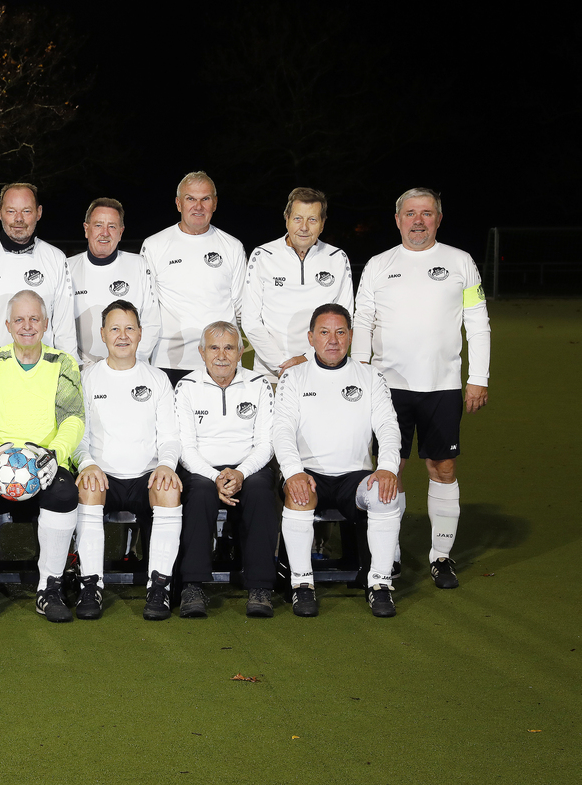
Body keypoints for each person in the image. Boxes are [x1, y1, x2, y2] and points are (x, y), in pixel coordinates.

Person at [352, 188, 491, 589]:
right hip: (386, 388)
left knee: (442, 468)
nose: (418, 221)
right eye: (410, 213)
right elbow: (362, 321)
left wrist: (478, 377)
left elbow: (477, 322)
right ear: (397, 220)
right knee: (389, 469)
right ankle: (390, 555)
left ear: (438, 219)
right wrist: (359, 374)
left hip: (442, 386)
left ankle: (441, 556)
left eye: (426, 213)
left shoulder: (461, 262)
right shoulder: (379, 265)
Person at [0, 290, 85, 623]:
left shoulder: (62, 362)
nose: (27, 326)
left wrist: (54, 455)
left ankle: (50, 588)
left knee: (64, 492)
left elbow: (73, 418)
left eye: (34, 319)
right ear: (7, 325)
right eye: (19, 319)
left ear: (45, 323)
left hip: (45, 462)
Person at [273, 304, 402, 618]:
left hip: (355, 478)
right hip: (308, 474)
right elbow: (281, 429)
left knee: (384, 494)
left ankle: (380, 584)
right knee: (299, 494)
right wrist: (293, 472)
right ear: (311, 338)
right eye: (324, 332)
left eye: (340, 332)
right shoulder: (294, 377)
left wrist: (387, 467)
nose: (333, 340)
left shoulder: (370, 376)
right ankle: (302, 585)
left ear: (351, 336)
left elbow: (388, 425)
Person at [74, 300, 180, 620]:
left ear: (140, 333)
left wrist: (166, 465)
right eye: (115, 329)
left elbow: (170, 438)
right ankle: (90, 585)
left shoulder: (158, 379)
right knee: (87, 486)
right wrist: (87, 464)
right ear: (103, 334)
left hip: (146, 475)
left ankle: (159, 587)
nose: (123, 335)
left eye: (130, 328)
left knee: (169, 489)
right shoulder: (86, 378)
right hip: (103, 475)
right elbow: (78, 438)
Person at [174, 321, 276, 618]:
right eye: (214, 348)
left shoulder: (259, 384)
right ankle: (192, 586)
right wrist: (215, 476)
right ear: (201, 352)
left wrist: (241, 472)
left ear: (241, 352)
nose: (221, 355)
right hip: (201, 468)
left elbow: (266, 443)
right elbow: (185, 447)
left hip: (250, 466)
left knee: (260, 492)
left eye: (229, 348)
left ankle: (260, 587)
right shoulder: (186, 386)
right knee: (199, 494)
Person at [140, 171, 246, 385]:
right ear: (178, 203)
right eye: (190, 199)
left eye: (205, 199)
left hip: (221, 361)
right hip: (170, 361)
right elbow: (145, 307)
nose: (198, 206)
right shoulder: (154, 246)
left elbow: (242, 306)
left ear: (215, 203)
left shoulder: (232, 247)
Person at [243, 188, 354, 380]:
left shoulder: (337, 258)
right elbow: (250, 320)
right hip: (271, 373)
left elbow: (344, 319)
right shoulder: (263, 256)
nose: (304, 227)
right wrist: (281, 365)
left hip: (322, 370)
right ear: (286, 219)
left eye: (312, 220)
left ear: (322, 224)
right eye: (297, 218)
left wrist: (307, 359)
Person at [0, 183, 77, 357]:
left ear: (39, 212)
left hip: (42, 368)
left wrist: (69, 368)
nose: (18, 219)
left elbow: (65, 327)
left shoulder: (55, 259)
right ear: (0, 212)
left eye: (26, 211)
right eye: (11, 211)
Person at [67, 198, 160, 366]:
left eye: (112, 226)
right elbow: (61, 326)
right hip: (82, 369)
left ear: (121, 232)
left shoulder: (139, 265)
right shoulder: (67, 268)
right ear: (86, 229)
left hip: (129, 367)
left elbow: (151, 322)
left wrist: (130, 362)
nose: (105, 233)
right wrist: (75, 366)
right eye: (98, 225)